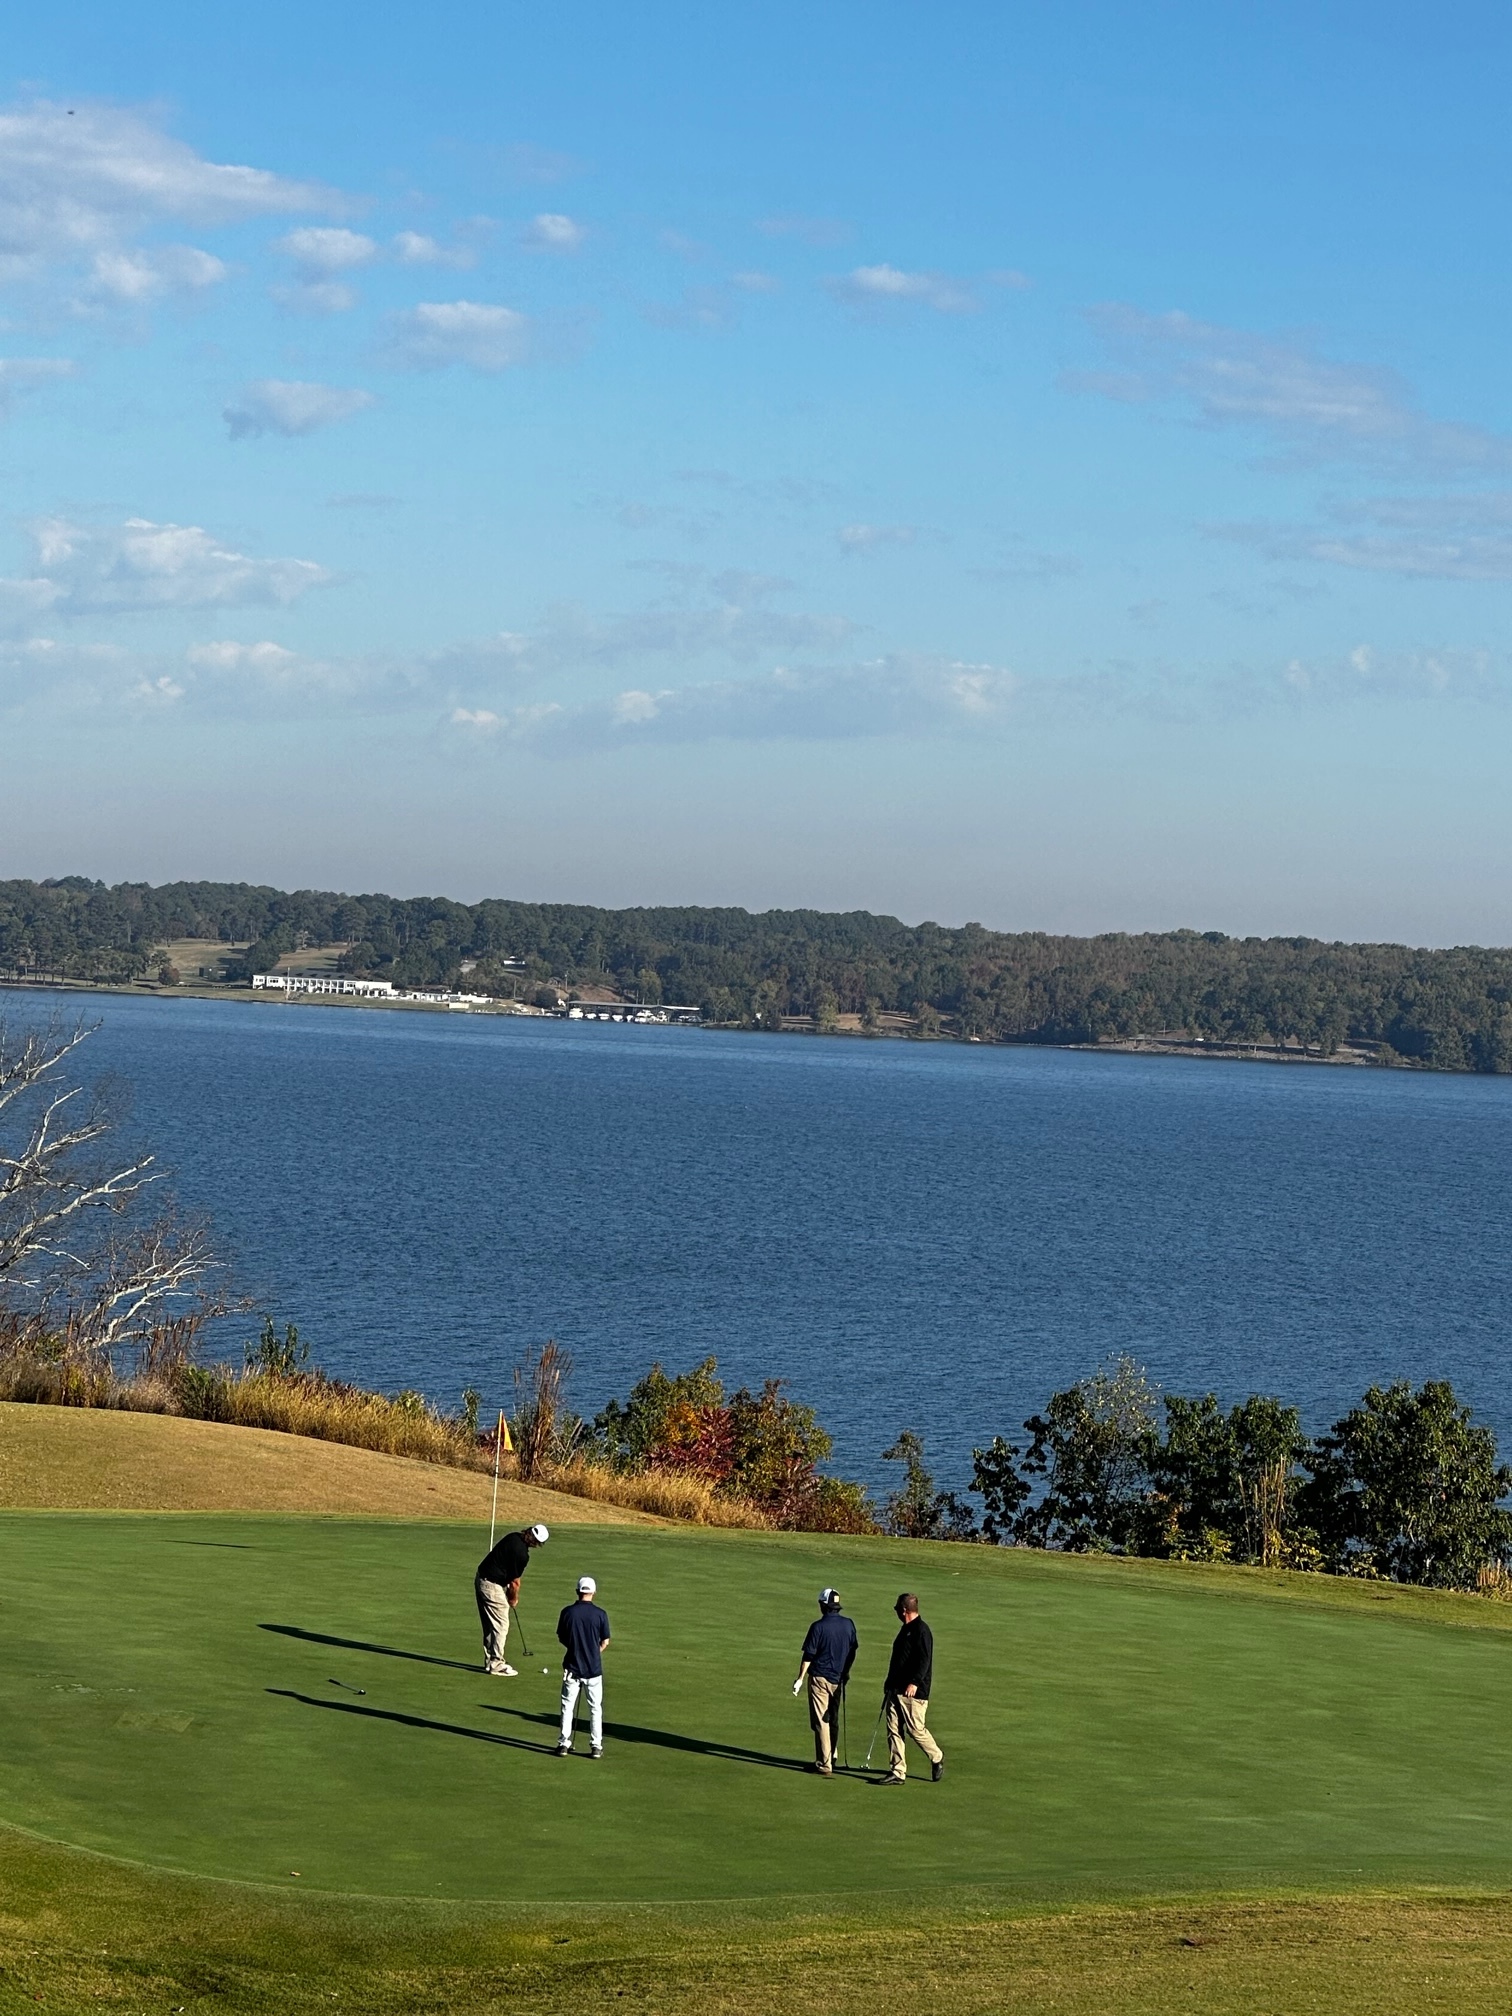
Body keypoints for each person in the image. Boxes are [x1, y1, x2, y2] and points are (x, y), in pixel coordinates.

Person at [878, 1592, 944, 1785]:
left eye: (897, 1608)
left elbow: (924, 1660)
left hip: (914, 1692)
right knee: (894, 1729)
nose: (896, 1611)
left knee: (915, 1730)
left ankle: (937, 1757)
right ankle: (898, 1771)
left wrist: (914, 1682)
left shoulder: (921, 1631)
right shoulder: (905, 1630)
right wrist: (889, 1682)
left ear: (904, 1610)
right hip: (895, 1689)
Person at [792, 1587, 857, 1776]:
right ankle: (832, 1755)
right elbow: (852, 1651)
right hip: (839, 1678)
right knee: (832, 1718)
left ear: (823, 1605)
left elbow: (808, 1655)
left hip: (819, 1678)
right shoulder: (849, 1624)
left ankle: (824, 1763)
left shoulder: (818, 1627)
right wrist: (846, 1671)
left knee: (821, 1721)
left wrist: (800, 1678)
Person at [474, 1522, 548, 1676]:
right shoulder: (522, 1555)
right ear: (537, 1543)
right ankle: (496, 1664)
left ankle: (490, 1661)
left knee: (490, 1624)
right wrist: (513, 1599)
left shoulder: (513, 1536)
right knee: (501, 1624)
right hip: (491, 1585)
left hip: (481, 1579)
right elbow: (515, 1583)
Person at [557, 1575, 611, 1759]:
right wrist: (594, 1652)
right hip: (593, 1669)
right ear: (594, 1592)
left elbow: (562, 1637)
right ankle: (596, 1746)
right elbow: (605, 1641)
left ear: (577, 1591)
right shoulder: (601, 1614)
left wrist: (575, 1648)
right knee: (595, 1708)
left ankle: (563, 1744)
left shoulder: (567, 1612)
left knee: (567, 1707)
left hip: (572, 1668)